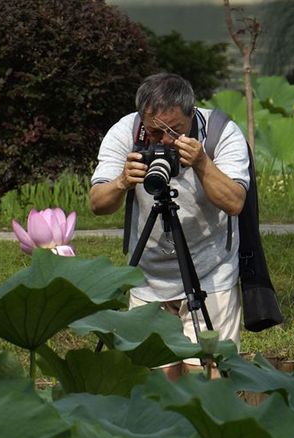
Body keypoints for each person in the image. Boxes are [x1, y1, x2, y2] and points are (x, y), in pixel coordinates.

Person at [89, 72, 250, 377]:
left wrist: (202, 163)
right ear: (141, 120)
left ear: (192, 115)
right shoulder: (126, 132)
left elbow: (235, 202)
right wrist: (123, 181)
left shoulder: (221, 132)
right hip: (147, 277)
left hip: (210, 273)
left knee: (207, 383)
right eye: (154, 133)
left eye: (174, 132)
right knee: (155, 388)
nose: (164, 142)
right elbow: (98, 203)